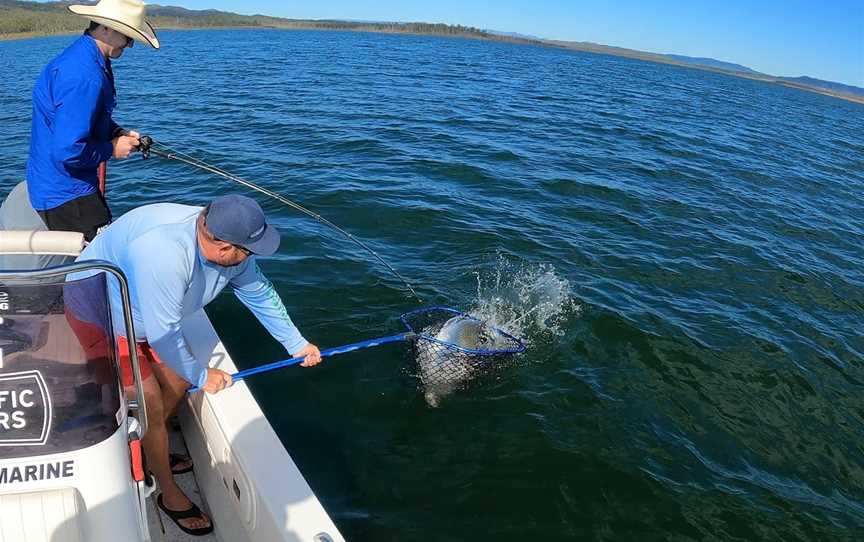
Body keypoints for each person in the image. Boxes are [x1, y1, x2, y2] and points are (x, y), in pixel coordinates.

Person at [72, 195, 323, 536]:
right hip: (102, 315)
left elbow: (258, 291)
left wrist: (296, 343)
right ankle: (168, 492)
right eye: (248, 251)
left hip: (150, 315)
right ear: (222, 246)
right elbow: (164, 335)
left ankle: (151, 446)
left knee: (177, 385)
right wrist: (203, 376)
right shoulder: (165, 253)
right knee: (150, 404)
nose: (251, 257)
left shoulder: (229, 246)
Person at [26, 0, 160, 241]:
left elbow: (89, 117)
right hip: (66, 193)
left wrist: (116, 132)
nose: (129, 45)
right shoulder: (84, 76)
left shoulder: (86, 57)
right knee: (98, 263)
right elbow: (68, 150)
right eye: (127, 36)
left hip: (54, 183)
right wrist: (112, 148)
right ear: (105, 28)